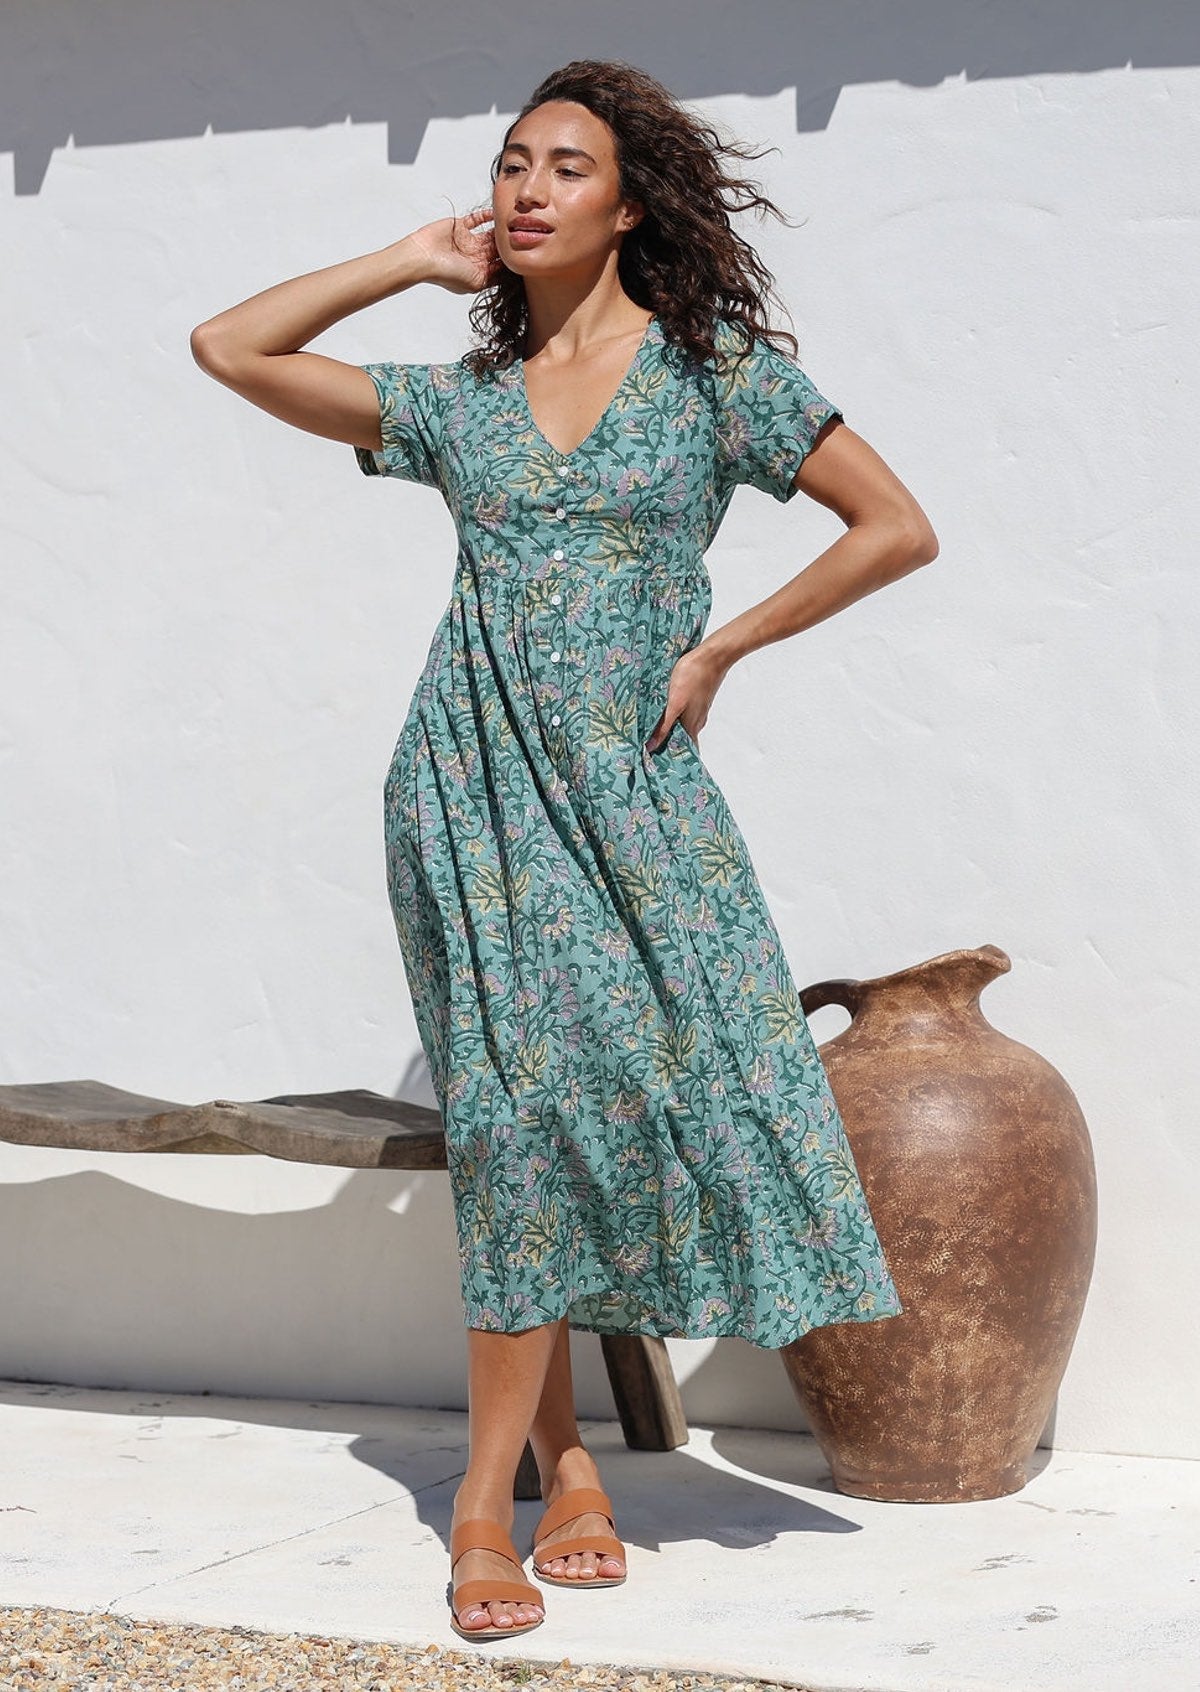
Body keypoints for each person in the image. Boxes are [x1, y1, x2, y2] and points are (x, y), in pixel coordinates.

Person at [191, 58, 938, 1643]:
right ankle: (496, 1507)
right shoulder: (458, 406)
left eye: (566, 167)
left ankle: (574, 1461)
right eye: (512, 164)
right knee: (524, 1129)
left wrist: (724, 646)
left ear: (632, 203)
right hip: (467, 796)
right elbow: (228, 348)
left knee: (642, 1098)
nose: (528, 188)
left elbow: (895, 527)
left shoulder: (715, 376)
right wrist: (406, 261)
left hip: (636, 794)